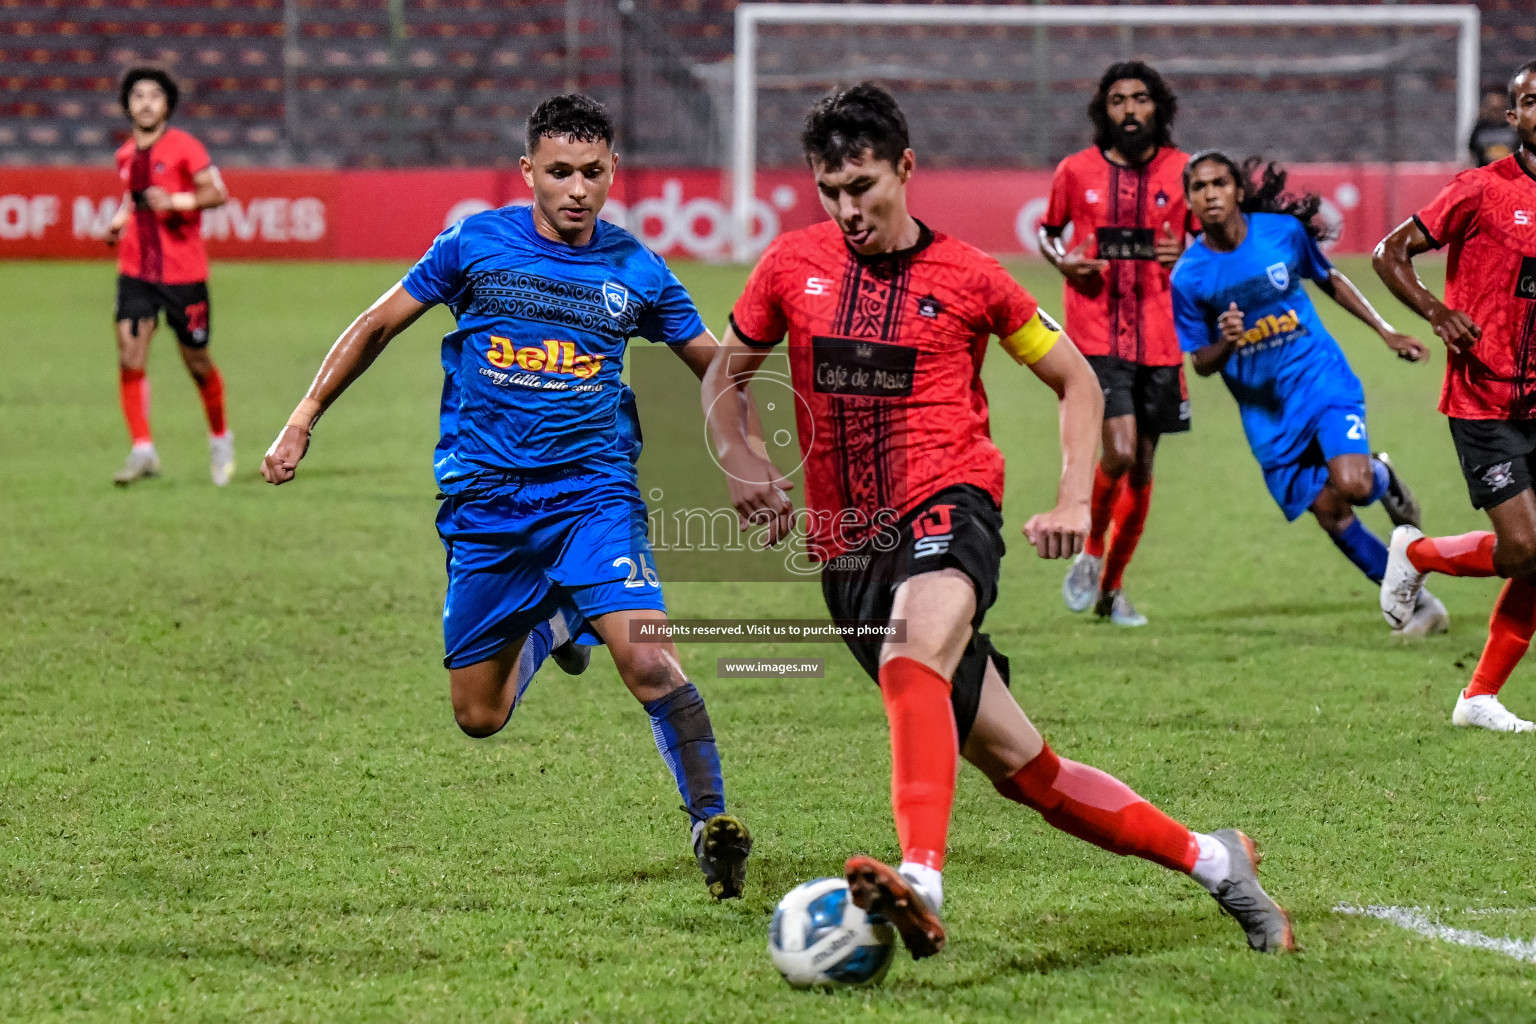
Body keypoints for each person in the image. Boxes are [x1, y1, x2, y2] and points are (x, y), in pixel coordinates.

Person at [701, 83, 1294, 961]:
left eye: (863, 185)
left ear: (906, 168)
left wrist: (1072, 499)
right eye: (830, 191)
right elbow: (724, 378)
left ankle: (922, 881)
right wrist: (744, 464)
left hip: (951, 504)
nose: (848, 208)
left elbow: (1077, 379)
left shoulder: (971, 277)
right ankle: (1217, 862)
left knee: (914, 642)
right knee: (1032, 776)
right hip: (849, 553)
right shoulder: (791, 267)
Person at [260, 94, 753, 896]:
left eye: (593, 173)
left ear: (612, 172)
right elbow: (380, 323)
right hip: (486, 508)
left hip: (595, 498)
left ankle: (712, 822)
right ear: (528, 171)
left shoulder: (636, 270)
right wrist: (304, 415)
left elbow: (714, 366)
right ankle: (561, 619)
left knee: (653, 661)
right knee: (478, 716)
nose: (577, 190)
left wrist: (754, 432)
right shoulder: (475, 244)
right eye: (559, 172)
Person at [1170, 151, 1446, 637]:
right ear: (1189, 198)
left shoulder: (1280, 233)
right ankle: (1419, 603)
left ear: (1237, 189)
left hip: (1320, 379)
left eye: (1219, 183)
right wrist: (1225, 342)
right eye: (1198, 187)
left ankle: (1383, 477)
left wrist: (1385, 331)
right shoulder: (1188, 276)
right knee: (1330, 511)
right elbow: (1201, 363)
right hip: (1266, 414)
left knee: (1355, 485)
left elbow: (1329, 279)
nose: (1209, 194)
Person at [1373, 60, 1536, 732]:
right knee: (1526, 550)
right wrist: (1437, 312)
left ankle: (1478, 698)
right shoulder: (1482, 189)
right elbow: (1390, 252)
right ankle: (1415, 553)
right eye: (1533, 100)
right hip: (1483, 396)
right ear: (1514, 116)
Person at [1039, 62, 1191, 626]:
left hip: (1160, 335)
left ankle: (1111, 589)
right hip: (1095, 331)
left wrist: (1190, 258)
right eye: (1118, 100)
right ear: (1104, 110)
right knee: (1120, 451)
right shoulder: (1075, 171)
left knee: (1144, 468)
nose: (1130, 110)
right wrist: (1064, 262)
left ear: (1159, 107)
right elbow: (1048, 230)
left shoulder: (1184, 172)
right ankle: (1092, 551)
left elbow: (1209, 246)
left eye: (1141, 99)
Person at [104, 67, 234, 486]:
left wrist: (175, 200)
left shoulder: (185, 147)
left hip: (183, 274)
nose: (145, 102)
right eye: (137, 95)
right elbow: (135, 199)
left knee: (196, 363)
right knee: (129, 353)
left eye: (154, 95)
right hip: (136, 271)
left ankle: (220, 438)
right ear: (127, 105)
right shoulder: (125, 155)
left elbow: (218, 193)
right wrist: (120, 219)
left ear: (167, 106)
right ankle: (142, 449)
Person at [1469, 88, 1520, 168]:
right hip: (1486, 173)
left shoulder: (1514, 126)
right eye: (1493, 109)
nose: (1496, 113)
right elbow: (1472, 150)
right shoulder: (1481, 127)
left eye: (1499, 109)